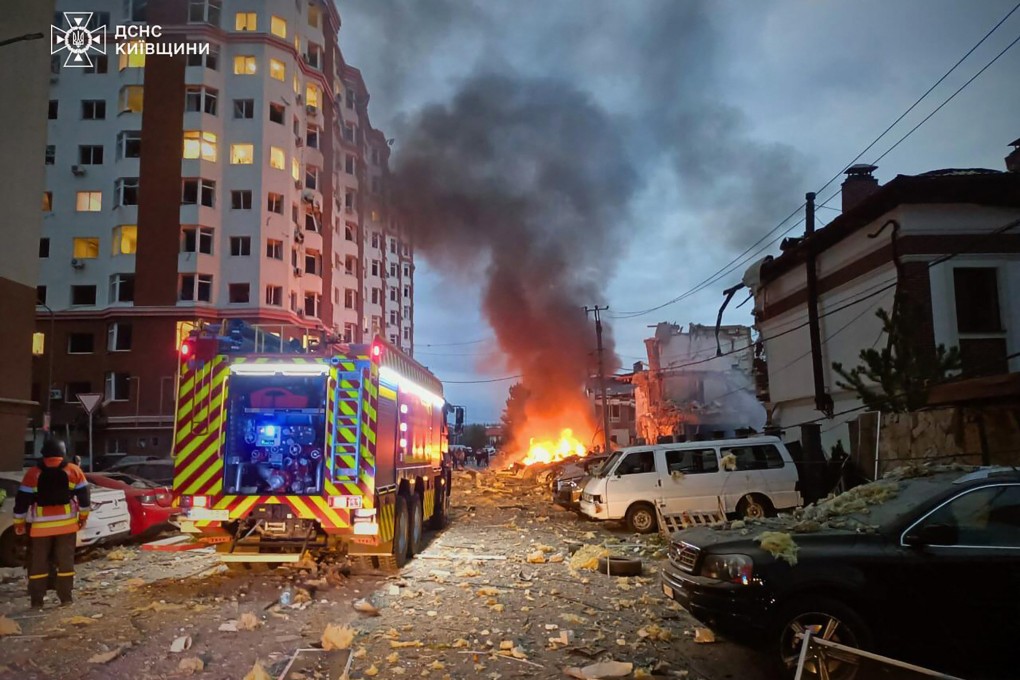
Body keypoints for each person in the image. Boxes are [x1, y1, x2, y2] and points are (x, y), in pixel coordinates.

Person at [13, 438, 90, 608]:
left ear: (43, 453)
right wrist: (83, 518)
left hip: (40, 529)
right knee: (65, 563)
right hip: (67, 526)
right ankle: (65, 598)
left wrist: (19, 523)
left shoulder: (33, 473)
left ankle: (37, 600)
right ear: (63, 452)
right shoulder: (74, 471)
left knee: (38, 564)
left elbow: (21, 502)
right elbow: (84, 499)